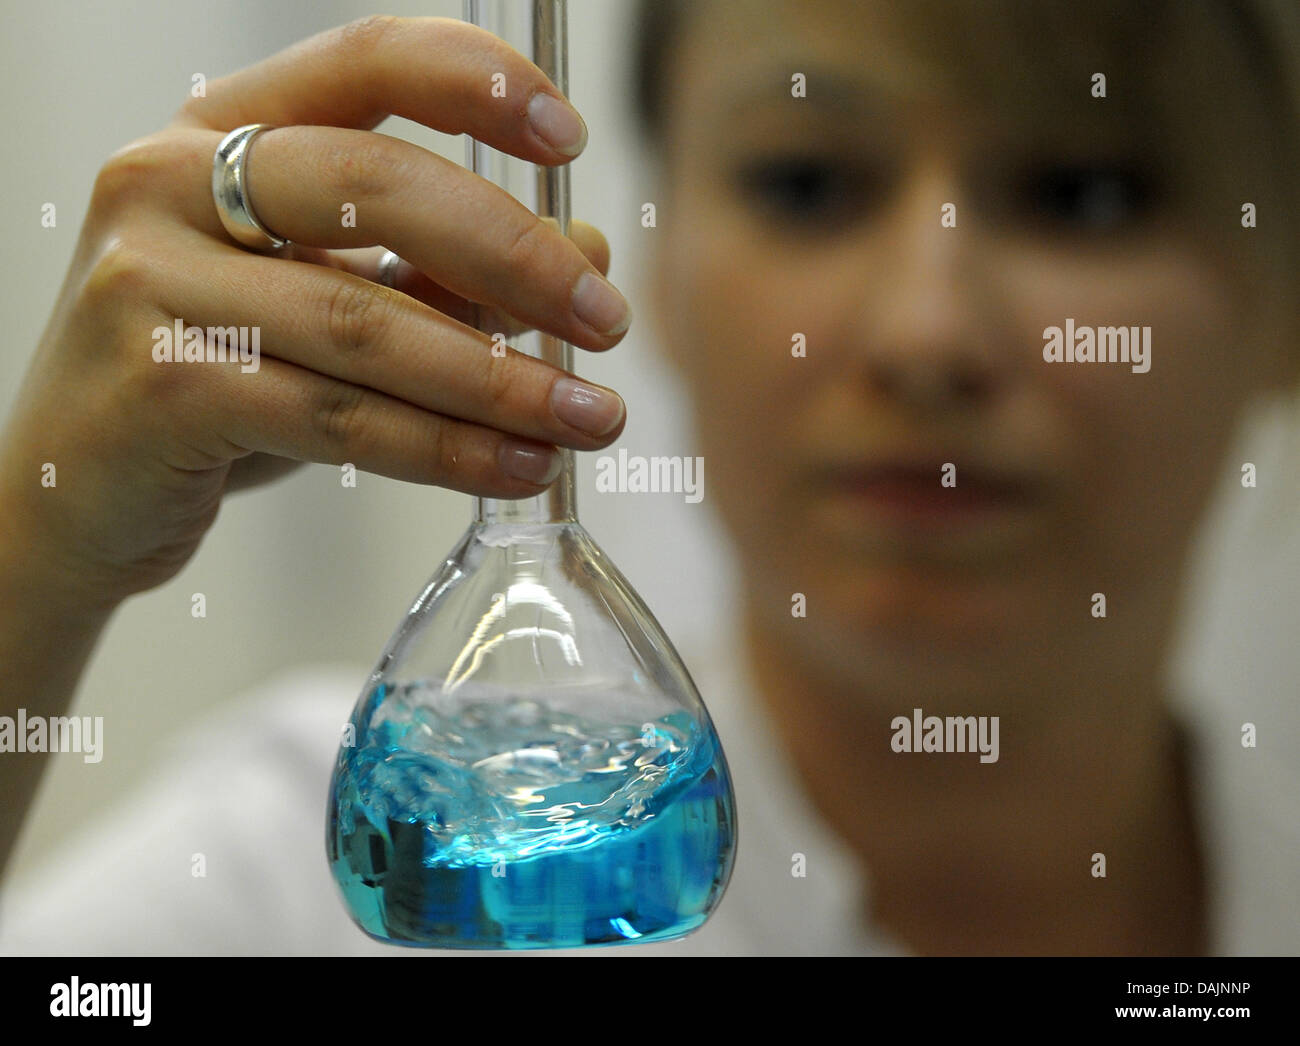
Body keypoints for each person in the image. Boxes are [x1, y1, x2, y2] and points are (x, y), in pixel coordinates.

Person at [2, 0, 1299, 956]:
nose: (927, 335)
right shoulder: (270, 886)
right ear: (647, 274)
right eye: (806, 181)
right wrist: (41, 553)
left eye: (1080, 193)